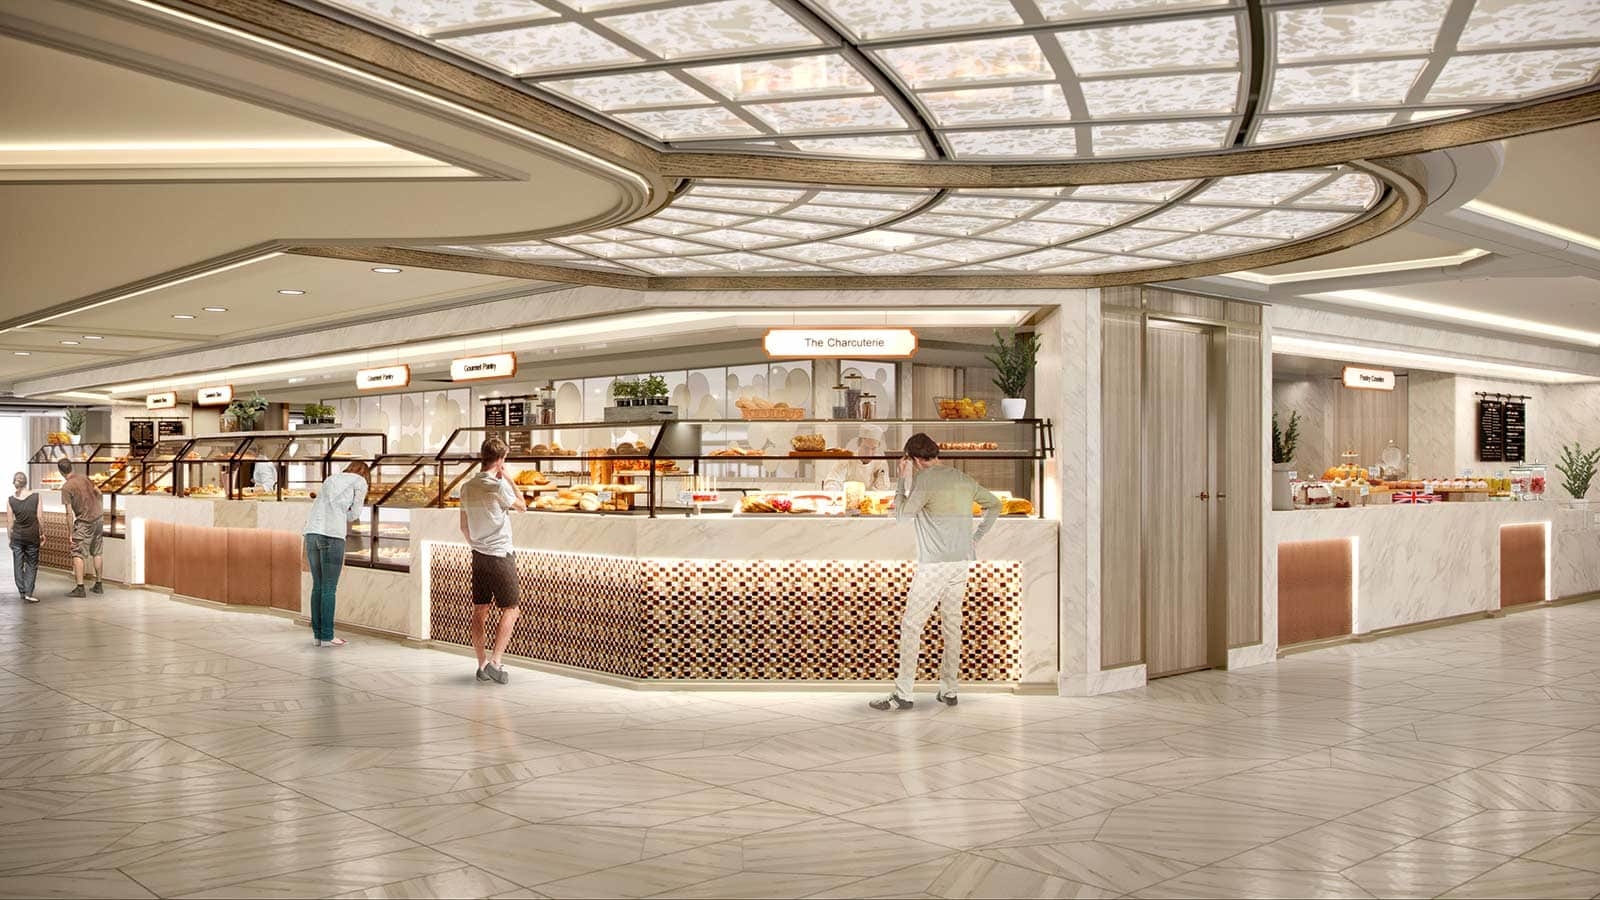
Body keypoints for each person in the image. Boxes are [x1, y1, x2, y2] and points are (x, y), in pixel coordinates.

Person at [871, 432, 1000, 711]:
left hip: (935, 565)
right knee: (952, 623)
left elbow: (902, 516)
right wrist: (976, 538)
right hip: (961, 563)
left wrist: (901, 481)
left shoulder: (924, 481)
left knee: (911, 625)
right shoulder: (961, 477)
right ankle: (949, 690)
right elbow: (995, 504)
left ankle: (903, 694)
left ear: (915, 460)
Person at [459, 437, 526, 684]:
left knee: (480, 609)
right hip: (500, 555)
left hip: (479, 555)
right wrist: (508, 478)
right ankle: (496, 662)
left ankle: (481, 664)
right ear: (501, 460)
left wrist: (477, 545)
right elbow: (522, 507)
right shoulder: (498, 487)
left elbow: (463, 526)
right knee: (511, 608)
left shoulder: (466, 487)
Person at [302, 460, 371, 648]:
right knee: (329, 588)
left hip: (311, 533)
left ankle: (318, 636)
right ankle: (327, 636)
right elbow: (354, 514)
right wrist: (343, 513)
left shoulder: (331, 478)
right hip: (332, 535)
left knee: (317, 586)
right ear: (365, 473)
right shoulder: (360, 482)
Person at [58, 458, 103, 597]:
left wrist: (71, 533)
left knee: (77, 552)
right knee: (97, 552)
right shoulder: (84, 477)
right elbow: (99, 493)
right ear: (71, 467)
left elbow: (68, 513)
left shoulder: (66, 487)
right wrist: (98, 508)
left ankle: (80, 587)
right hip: (98, 518)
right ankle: (99, 584)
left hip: (84, 521)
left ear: (60, 471)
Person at [822, 423, 891, 492]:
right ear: (859, 444)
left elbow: (883, 489)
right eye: (866, 448)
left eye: (873, 448)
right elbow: (832, 482)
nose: (869, 453)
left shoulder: (880, 462)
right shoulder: (847, 460)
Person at [7, 473, 41, 603]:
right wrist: (42, 533)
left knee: (18, 564)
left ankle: (22, 590)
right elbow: (40, 517)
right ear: (26, 482)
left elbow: (10, 522)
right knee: (32, 564)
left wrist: (10, 538)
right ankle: (28, 592)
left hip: (17, 537)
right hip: (32, 536)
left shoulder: (10, 500)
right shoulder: (36, 497)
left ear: (14, 482)